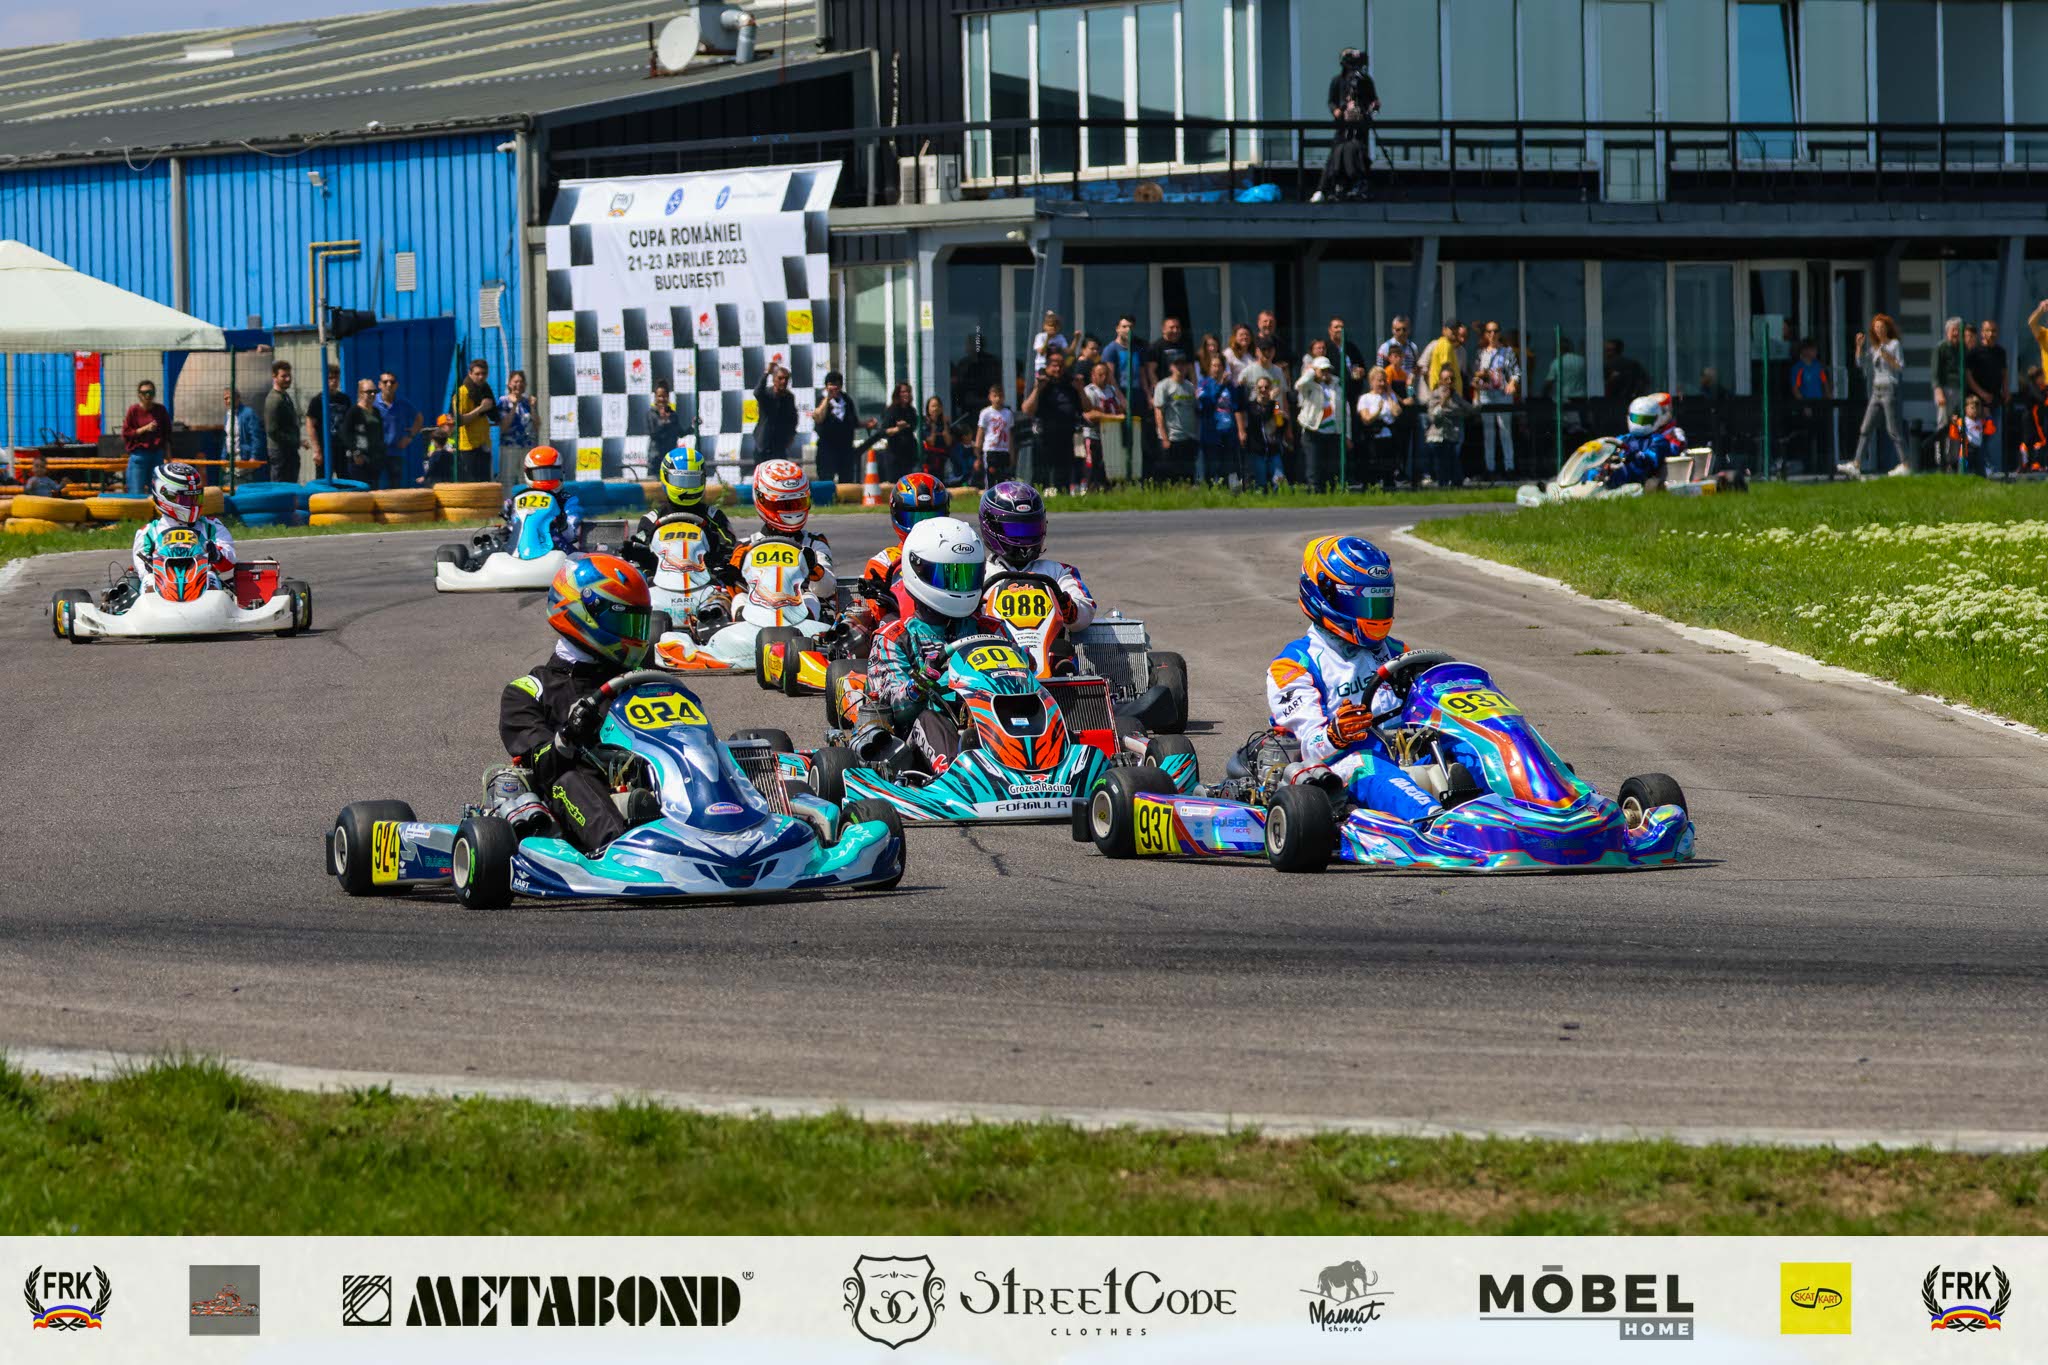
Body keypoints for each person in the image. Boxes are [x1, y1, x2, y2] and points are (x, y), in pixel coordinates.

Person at [1266, 535, 1442, 826]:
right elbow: (1309, 745)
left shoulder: (1398, 652)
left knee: (1466, 747)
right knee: (1368, 765)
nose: (1373, 614)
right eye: (1362, 603)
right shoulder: (1294, 665)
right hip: (1338, 771)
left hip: (1404, 757)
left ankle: (1520, 805)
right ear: (1325, 594)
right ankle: (1438, 825)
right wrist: (1336, 734)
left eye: (1379, 603)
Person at [497, 554, 656, 857]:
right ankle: (621, 853)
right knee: (569, 778)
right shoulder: (529, 691)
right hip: (574, 801)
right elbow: (541, 767)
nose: (632, 634)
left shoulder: (638, 682)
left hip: (647, 780)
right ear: (583, 615)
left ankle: (731, 829)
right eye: (623, 622)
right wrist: (568, 735)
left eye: (637, 624)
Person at [859, 516, 1017, 774]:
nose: (961, 586)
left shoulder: (991, 629)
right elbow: (893, 709)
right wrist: (920, 683)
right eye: (951, 577)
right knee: (928, 719)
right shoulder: (895, 637)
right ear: (918, 570)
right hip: (920, 738)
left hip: (991, 723)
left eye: (967, 576)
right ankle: (960, 776)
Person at [978, 480, 1096, 633]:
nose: (1024, 538)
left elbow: (1086, 609)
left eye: (1031, 529)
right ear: (991, 526)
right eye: (1016, 529)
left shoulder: (1056, 572)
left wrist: (1069, 608)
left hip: (1049, 646)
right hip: (993, 645)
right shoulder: (981, 574)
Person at [622, 442, 740, 577]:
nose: (686, 488)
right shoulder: (650, 520)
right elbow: (640, 561)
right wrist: (640, 555)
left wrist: (714, 549)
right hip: (662, 582)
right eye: (681, 481)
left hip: (705, 581)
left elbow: (730, 551)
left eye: (692, 481)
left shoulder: (714, 517)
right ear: (665, 478)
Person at [732, 458, 836, 608]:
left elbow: (828, 589)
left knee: (810, 598)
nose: (791, 511)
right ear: (762, 499)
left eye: (797, 504)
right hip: (759, 612)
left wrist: (814, 568)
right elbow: (734, 590)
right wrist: (731, 577)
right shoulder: (745, 548)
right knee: (739, 599)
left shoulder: (814, 543)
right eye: (782, 504)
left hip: (802, 614)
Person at [131, 461, 236, 590]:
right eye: (186, 499)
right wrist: (151, 565)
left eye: (196, 498)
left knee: (210, 576)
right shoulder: (148, 533)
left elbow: (229, 562)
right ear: (166, 497)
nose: (193, 505)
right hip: (163, 589)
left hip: (205, 590)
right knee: (149, 580)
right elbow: (143, 572)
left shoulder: (211, 527)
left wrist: (217, 555)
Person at [1843, 313, 1908, 479]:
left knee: (1893, 429)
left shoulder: (1894, 344)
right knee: (1865, 427)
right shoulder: (1874, 348)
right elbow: (1860, 363)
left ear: (1887, 328)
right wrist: (1859, 347)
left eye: (1881, 327)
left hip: (1889, 388)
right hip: (1876, 390)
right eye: (1876, 327)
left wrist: (1889, 358)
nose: (1879, 330)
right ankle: (1856, 463)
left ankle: (1905, 464)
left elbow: (1900, 366)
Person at [1311, 48, 1377, 203]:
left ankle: (1358, 185)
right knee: (1336, 153)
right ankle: (1325, 188)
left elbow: (1373, 99)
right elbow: (1331, 101)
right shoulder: (1337, 81)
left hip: (1359, 125)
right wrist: (1337, 111)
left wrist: (1370, 108)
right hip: (1342, 126)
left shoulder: (1365, 81)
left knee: (1357, 152)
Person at [494, 446, 584, 551]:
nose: (546, 479)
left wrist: (561, 524)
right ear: (528, 473)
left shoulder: (568, 501)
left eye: (551, 474)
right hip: (522, 550)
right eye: (540, 474)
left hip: (557, 551)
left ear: (561, 472)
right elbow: (514, 528)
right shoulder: (516, 500)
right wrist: (508, 529)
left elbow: (571, 536)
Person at [1023, 348, 1085, 493]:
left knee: (1063, 474)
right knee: (1041, 474)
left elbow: (1087, 408)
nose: (1058, 369)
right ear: (1047, 366)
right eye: (1054, 365)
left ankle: (1062, 496)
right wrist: (1037, 389)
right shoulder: (1041, 383)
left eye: (1061, 365)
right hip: (1044, 435)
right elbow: (1027, 409)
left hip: (1066, 434)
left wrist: (1080, 389)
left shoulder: (1070, 384)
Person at [1595, 393, 1684, 489]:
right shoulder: (1623, 438)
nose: (1640, 424)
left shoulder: (1659, 440)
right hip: (1613, 476)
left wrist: (1631, 455)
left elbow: (1650, 461)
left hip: (1638, 481)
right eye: (1636, 419)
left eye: (1645, 420)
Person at [1473, 321, 1520, 477]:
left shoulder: (1507, 352)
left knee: (1505, 430)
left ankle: (1509, 467)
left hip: (1502, 394)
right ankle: (1490, 467)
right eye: (1489, 331)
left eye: (1495, 331)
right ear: (1486, 334)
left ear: (1499, 333)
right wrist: (1481, 375)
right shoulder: (1481, 353)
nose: (1492, 334)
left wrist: (1512, 383)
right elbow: (1475, 373)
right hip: (1486, 394)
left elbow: (1516, 372)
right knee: (1488, 432)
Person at [810, 371, 869, 485]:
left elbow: (853, 421)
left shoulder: (846, 400)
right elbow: (818, 418)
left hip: (845, 447)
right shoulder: (821, 399)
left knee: (846, 479)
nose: (835, 388)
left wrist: (866, 424)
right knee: (826, 479)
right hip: (827, 447)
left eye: (837, 385)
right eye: (831, 385)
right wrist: (828, 399)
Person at [1967, 319, 2010, 476]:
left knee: (1994, 434)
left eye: (1994, 331)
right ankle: (1982, 467)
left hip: (1995, 399)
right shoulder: (1975, 353)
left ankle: (1993, 468)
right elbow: (1968, 376)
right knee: (1979, 436)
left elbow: (2004, 373)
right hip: (1978, 401)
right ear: (1982, 333)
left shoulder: (2000, 352)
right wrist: (1981, 393)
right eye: (1988, 330)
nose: (1991, 334)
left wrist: (2006, 390)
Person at [1151, 349, 1201, 483]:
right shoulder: (1163, 386)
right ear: (1171, 367)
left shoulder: (1190, 387)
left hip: (1188, 438)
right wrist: (1164, 438)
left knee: (1187, 478)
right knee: (1169, 477)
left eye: (1183, 364)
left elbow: (1195, 410)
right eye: (1176, 364)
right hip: (1172, 438)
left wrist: (1195, 436)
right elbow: (1158, 413)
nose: (1180, 367)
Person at [1294, 355, 1342, 489]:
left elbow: (1345, 410)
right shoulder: (1309, 385)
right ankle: (1314, 492)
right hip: (1313, 431)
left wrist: (1346, 433)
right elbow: (1299, 385)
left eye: (1327, 370)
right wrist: (1311, 371)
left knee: (1331, 467)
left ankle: (1331, 492)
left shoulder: (1336, 386)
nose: (1325, 373)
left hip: (1332, 432)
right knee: (1313, 466)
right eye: (1322, 370)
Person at [1423, 369, 1475, 489]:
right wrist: (1443, 402)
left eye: (1452, 379)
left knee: (1457, 475)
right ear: (1441, 381)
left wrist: (1476, 391)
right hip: (1437, 437)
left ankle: (1450, 487)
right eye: (1446, 379)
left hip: (1451, 436)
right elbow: (1433, 417)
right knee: (1443, 468)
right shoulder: (1435, 395)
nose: (1449, 381)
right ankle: (1442, 487)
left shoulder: (1456, 396)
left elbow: (1472, 410)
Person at [120, 379, 171, 495]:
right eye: (144, 393)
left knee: (157, 492)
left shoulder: (160, 410)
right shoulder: (133, 410)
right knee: (136, 492)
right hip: (139, 454)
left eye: (151, 392)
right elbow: (126, 433)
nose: (148, 395)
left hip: (157, 454)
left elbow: (167, 434)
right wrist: (145, 428)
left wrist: (168, 456)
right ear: (139, 394)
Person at [1356, 367, 1404, 490]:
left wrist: (1389, 395)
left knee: (1389, 468)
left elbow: (1397, 412)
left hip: (1388, 437)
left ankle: (1389, 487)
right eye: (1379, 381)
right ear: (1371, 382)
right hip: (1373, 437)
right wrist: (1378, 411)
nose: (1382, 384)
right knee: (1372, 467)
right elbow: (1366, 419)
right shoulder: (1365, 398)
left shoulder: (1389, 396)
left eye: (1384, 381)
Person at [374, 372, 423, 488]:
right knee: (374, 487)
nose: (389, 385)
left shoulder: (402, 403)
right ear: (379, 385)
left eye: (392, 382)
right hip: (376, 453)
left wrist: (410, 437)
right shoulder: (373, 402)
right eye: (385, 382)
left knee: (395, 488)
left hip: (395, 453)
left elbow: (419, 418)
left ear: (396, 385)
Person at [1080, 361, 1124, 490]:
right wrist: (1114, 417)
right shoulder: (1089, 391)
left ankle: (1108, 488)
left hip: (1111, 436)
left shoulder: (1111, 390)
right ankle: (1090, 488)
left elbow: (1120, 408)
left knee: (1108, 466)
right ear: (1093, 375)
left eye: (1106, 374)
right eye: (1100, 375)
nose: (1104, 378)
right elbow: (1090, 414)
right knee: (1092, 464)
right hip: (1094, 435)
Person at [1197, 354, 1239, 485]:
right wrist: (1220, 385)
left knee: (1227, 468)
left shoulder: (1230, 385)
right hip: (1212, 433)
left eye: (1220, 365)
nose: (1217, 368)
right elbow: (1207, 403)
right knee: (1212, 468)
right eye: (1214, 365)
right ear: (1209, 367)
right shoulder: (1203, 383)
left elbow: (1236, 406)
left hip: (1228, 432)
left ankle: (1226, 492)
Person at [336, 378, 387, 485]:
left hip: (374, 460)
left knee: (374, 490)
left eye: (375, 392)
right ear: (361, 393)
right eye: (369, 392)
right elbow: (345, 433)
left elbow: (380, 433)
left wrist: (381, 453)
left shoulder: (376, 412)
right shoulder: (354, 411)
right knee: (361, 491)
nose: (373, 394)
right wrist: (355, 451)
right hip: (359, 462)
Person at [452, 359, 496, 482]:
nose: (481, 377)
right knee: (471, 484)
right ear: (470, 373)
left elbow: (494, 414)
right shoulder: (463, 393)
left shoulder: (485, 390)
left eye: (484, 374)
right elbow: (460, 421)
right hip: (469, 447)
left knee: (485, 483)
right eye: (477, 374)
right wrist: (481, 408)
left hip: (483, 444)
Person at [1242, 374, 1286, 489]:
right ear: (1256, 389)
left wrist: (1284, 419)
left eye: (1266, 387)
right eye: (1260, 387)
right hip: (1258, 451)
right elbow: (1261, 419)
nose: (1263, 390)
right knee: (1260, 485)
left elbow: (1280, 425)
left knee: (1279, 481)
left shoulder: (1276, 405)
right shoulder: (1251, 406)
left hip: (1273, 450)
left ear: (1270, 389)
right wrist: (1271, 401)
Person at [302, 366, 345, 479]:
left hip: (341, 448)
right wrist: (317, 450)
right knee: (323, 481)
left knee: (344, 482)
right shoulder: (317, 401)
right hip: (325, 448)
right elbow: (310, 425)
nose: (334, 381)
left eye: (336, 378)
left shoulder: (344, 399)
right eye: (330, 378)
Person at [263, 360, 301, 483]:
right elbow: (272, 430)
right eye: (283, 376)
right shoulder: (274, 400)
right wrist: (293, 440)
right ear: (274, 377)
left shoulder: (284, 396)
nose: (288, 379)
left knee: (290, 485)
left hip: (289, 450)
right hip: (280, 452)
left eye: (289, 375)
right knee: (280, 487)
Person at [752, 365, 798, 466]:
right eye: (780, 378)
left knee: (780, 472)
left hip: (779, 446)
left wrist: (791, 435)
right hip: (763, 444)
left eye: (786, 379)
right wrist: (766, 373)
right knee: (762, 472)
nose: (783, 381)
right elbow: (757, 393)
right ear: (774, 380)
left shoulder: (789, 397)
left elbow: (793, 418)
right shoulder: (766, 393)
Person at [1941, 394, 1995, 476]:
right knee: (1964, 469)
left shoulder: (1981, 421)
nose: (1975, 410)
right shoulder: (1962, 421)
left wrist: (1989, 418)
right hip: (1966, 449)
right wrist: (1954, 424)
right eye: (1972, 408)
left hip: (1978, 448)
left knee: (1980, 470)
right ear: (1965, 408)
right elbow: (1954, 435)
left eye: (1977, 408)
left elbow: (1990, 431)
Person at [973, 383, 1014, 486]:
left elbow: (1009, 434)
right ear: (990, 397)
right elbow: (980, 432)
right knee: (990, 478)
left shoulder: (1008, 413)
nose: (998, 399)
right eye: (995, 396)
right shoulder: (985, 413)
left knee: (1003, 479)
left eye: (1000, 396)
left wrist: (1012, 453)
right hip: (991, 450)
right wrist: (977, 452)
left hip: (1003, 450)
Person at [879, 381, 921, 482]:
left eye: (908, 392)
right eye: (903, 392)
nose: (907, 394)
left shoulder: (911, 411)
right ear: (898, 394)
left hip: (909, 453)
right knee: (895, 483)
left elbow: (913, 425)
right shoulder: (892, 410)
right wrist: (898, 429)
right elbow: (883, 431)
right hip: (895, 453)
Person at [221, 386, 263, 484]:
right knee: (228, 483)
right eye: (225, 398)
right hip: (229, 457)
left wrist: (253, 456)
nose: (228, 401)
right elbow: (226, 438)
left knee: (241, 483)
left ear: (238, 398)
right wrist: (223, 458)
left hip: (243, 456)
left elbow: (256, 437)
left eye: (230, 398)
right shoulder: (228, 415)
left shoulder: (248, 413)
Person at [498, 369, 535, 473]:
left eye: (521, 382)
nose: (519, 384)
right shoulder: (503, 401)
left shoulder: (528, 401)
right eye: (516, 381)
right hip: (509, 447)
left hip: (527, 447)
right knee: (508, 477)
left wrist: (532, 407)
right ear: (509, 384)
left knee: (526, 478)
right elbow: (503, 427)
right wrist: (514, 406)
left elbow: (537, 425)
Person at [647, 382, 684, 467]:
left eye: (664, 396)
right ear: (655, 397)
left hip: (671, 457)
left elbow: (680, 433)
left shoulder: (673, 414)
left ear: (668, 397)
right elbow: (653, 435)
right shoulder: (651, 414)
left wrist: (693, 426)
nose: (662, 399)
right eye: (659, 396)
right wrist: (663, 421)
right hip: (656, 458)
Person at [417, 413, 458, 485]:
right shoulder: (436, 439)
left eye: (453, 425)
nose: (452, 427)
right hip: (437, 475)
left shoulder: (456, 437)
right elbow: (430, 453)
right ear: (441, 426)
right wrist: (446, 451)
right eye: (449, 425)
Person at [1032, 311, 1068, 378]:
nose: (1052, 328)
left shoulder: (1060, 338)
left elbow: (1067, 351)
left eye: (1055, 326)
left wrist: (1076, 339)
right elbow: (1042, 352)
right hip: (1041, 365)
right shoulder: (1040, 336)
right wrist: (1048, 338)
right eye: (1050, 326)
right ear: (1044, 326)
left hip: (1056, 367)